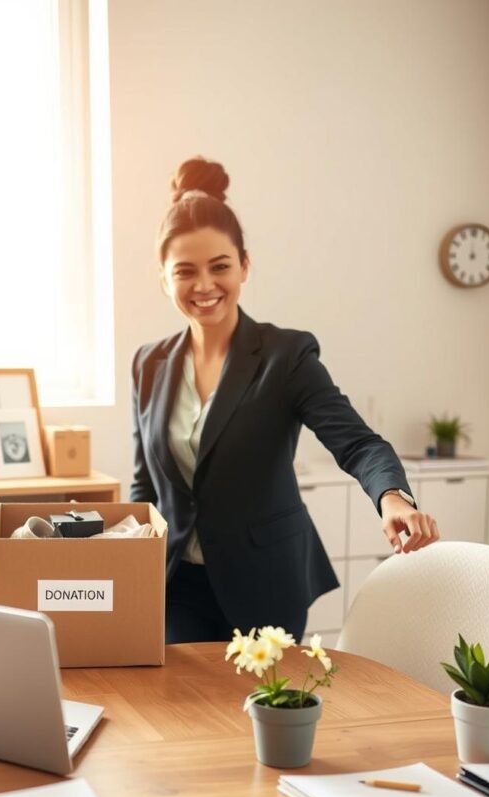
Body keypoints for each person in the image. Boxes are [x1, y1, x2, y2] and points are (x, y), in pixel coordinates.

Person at [130, 157, 439, 644]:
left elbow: (357, 444)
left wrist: (392, 499)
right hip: (178, 587)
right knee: (180, 713)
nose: (205, 285)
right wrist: (128, 573)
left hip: (264, 582)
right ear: (164, 278)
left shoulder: (286, 356)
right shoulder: (148, 364)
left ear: (245, 265)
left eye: (220, 266)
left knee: (260, 715)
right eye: (185, 271)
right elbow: (144, 486)